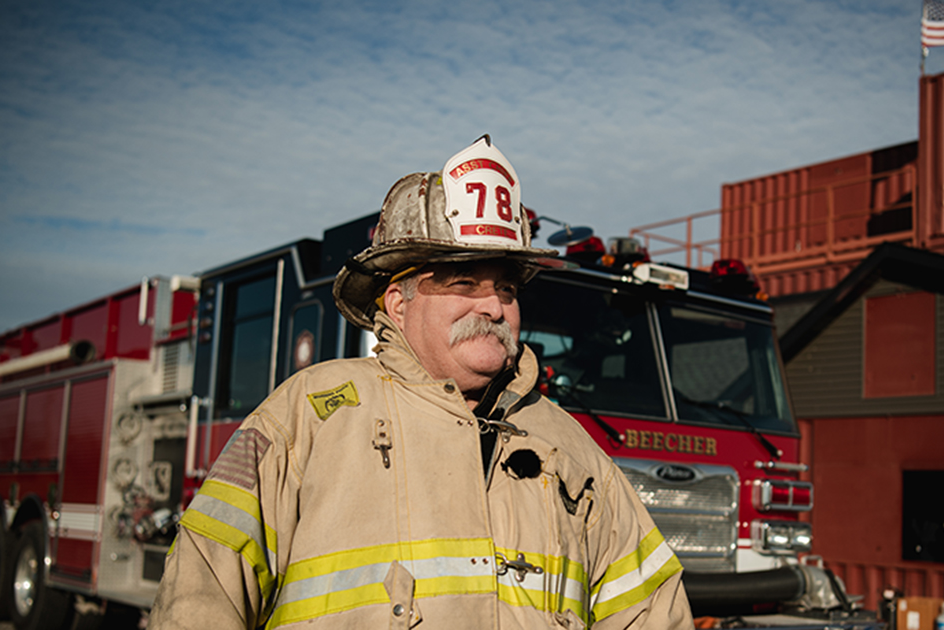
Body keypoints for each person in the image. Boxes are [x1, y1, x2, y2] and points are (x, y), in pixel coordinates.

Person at [150, 137, 694, 629]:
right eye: (464, 281)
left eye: (507, 288)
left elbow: (652, 611)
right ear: (398, 303)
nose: (493, 306)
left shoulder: (569, 445)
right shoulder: (307, 417)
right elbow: (202, 595)